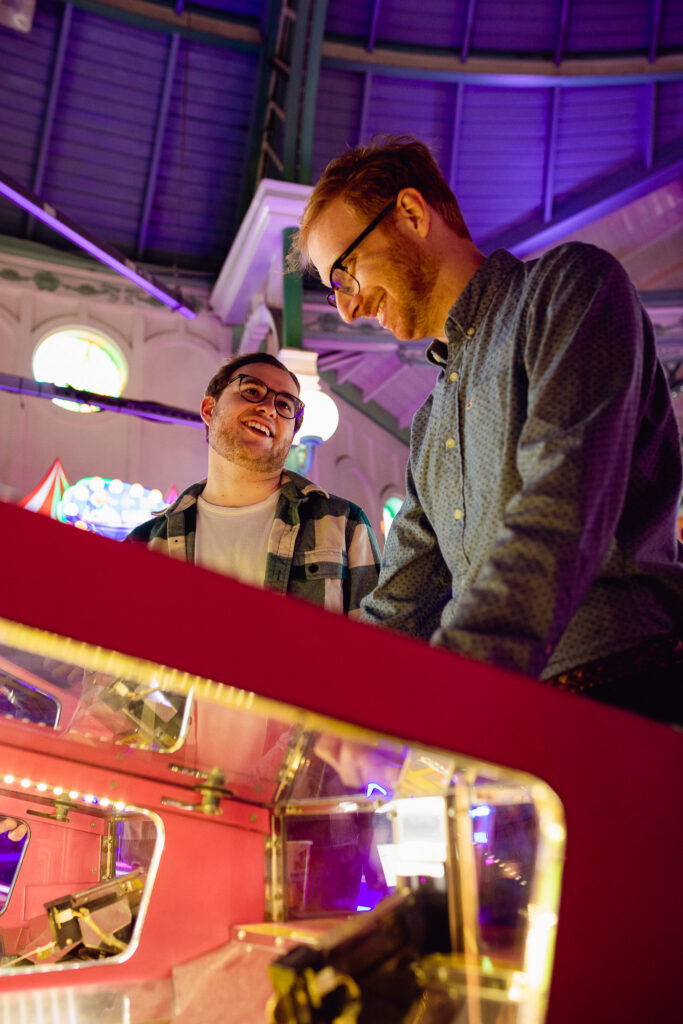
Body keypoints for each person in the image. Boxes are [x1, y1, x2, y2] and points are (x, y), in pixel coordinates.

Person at [291, 135, 683, 723]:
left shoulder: (568, 286)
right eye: (332, 289)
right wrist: (311, 711)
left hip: (618, 692)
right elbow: (400, 605)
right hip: (499, 721)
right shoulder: (429, 424)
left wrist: (456, 697)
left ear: (411, 213)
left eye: (344, 273)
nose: (345, 310)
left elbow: (560, 509)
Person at [128, 352, 380, 618]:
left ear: (292, 434)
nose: (269, 407)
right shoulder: (145, 544)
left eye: (284, 405)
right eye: (251, 390)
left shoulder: (343, 524)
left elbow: (376, 650)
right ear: (209, 410)